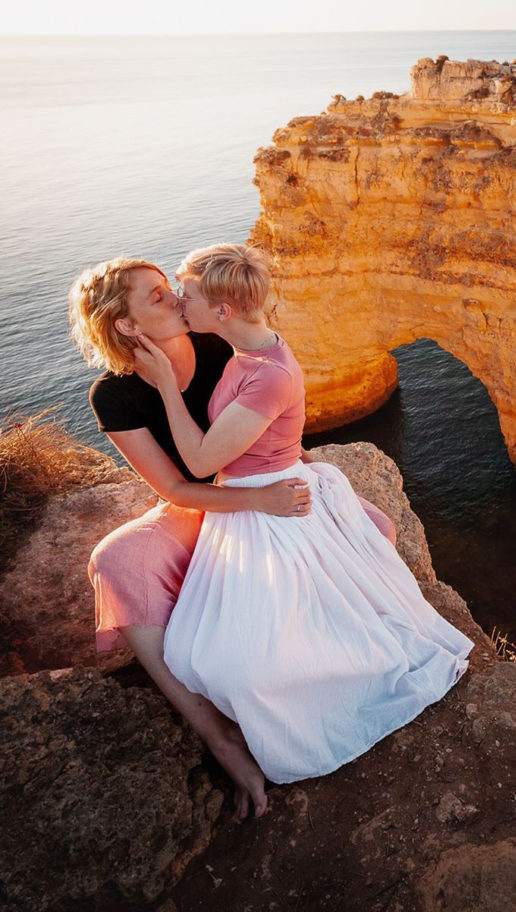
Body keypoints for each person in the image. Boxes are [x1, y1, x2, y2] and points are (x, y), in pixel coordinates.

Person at [133, 243, 474, 791]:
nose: (178, 301)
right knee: (204, 649)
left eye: (187, 295)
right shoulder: (242, 350)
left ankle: (315, 719)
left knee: (238, 656)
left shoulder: (267, 374)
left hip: (272, 505)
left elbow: (199, 462)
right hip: (257, 496)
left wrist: (168, 387)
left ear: (222, 311)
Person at [68, 256, 398, 820]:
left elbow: (275, 425)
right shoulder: (114, 396)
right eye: (155, 297)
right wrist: (257, 501)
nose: (174, 298)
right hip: (207, 503)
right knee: (115, 561)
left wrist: (313, 490)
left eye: (171, 288)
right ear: (126, 326)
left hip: (258, 491)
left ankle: (317, 662)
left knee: (374, 528)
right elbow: (176, 485)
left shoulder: (218, 345)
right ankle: (221, 739)